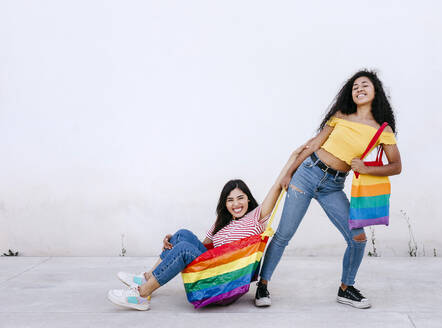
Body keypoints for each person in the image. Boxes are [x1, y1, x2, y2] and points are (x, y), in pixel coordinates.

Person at [254, 70, 402, 309]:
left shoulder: (382, 130)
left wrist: (365, 168)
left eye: (365, 85)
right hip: (307, 174)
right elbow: (314, 144)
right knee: (284, 234)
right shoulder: (341, 115)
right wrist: (289, 172)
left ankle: (346, 289)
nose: (359, 89)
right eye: (355, 86)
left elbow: (396, 166)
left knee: (358, 238)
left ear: (375, 92)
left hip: (333, 186)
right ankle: (263, 285)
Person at [107, 144, 306, 310]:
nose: (236, 204)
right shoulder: (222, 223)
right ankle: (147, 277)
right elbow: (202, 249)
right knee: (182, 235)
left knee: (183, 248)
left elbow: (277, 186)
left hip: (224, 281)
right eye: (230, 200)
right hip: (210, 271)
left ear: (248, 199)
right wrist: (173, 245)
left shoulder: (257, 217)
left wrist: (293, 158)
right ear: (225, 203)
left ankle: (142, 294)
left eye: (240, 198)